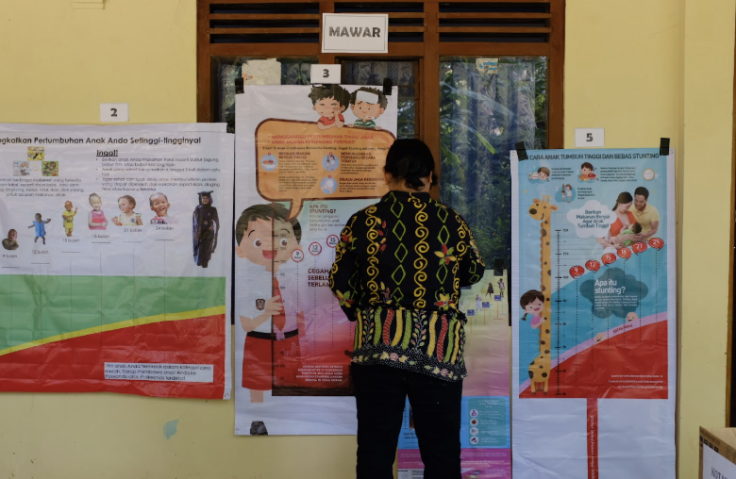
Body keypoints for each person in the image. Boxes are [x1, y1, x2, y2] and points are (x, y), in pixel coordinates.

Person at [330, 138, 484, 479]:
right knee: (442, 454)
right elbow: (474, 271)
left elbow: (340, 283)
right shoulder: (451, 222)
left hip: (377, 350)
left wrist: (368, 315)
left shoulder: (362, 222)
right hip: (438, 349)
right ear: (429, 177)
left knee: (375, 450)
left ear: (387, 175)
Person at [235, 203, 305, 408]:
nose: (271, 246)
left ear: (296, 248)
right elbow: (247, 325)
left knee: (291, 390)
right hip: (260, 342)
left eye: (283, 240)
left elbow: (303, 314)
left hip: (291, 341)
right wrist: (266, 314)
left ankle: (290, 418)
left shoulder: (296, 280)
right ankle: (257, 417)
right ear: (241, 251)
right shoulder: (247, 284)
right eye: (258, 241)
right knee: (258, 389)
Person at [193, 191, 219, 268]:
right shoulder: (198, 208)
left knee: (207, 247)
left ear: (209, 199)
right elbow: (196, 220)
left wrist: (213, 224)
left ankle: (205, 262)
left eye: (206, 198)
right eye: (203, 198)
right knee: (200, 248)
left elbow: (216, 221)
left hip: (209, 233)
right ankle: (200, 261)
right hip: (200, 232)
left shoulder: (213, 209)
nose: (205, 200)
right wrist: (206, 224)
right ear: (201, 199)